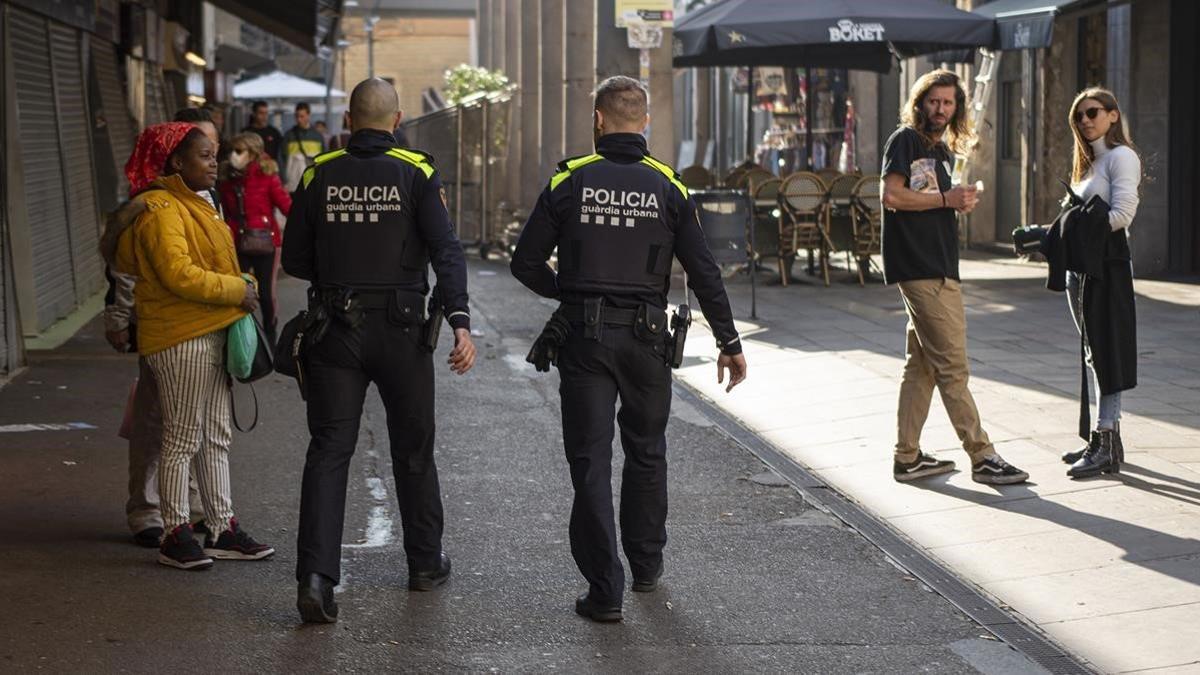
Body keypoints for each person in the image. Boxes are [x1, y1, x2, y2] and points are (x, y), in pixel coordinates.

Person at [510, 75, 748, 622]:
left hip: (585, 339)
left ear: (597, 119)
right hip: (647, 341)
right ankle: (646, 566)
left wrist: (568, 292)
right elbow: (704, 271)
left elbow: (525, 262)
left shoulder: (570, 181)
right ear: (645, 123)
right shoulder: (668, 186)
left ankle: (605, 590)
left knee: (591, 461)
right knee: (647, 450)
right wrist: (729, 342)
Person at [282, 78, 476, 623]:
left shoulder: (319, 171)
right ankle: (422, 563)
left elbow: (294, 257)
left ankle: (316, 579)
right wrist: (459, 321)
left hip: (334, 329)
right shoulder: (415, 171)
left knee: (329, 450)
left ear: (348, 120)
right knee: (413, 450)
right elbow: (446, 251)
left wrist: (339, 271)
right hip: (402, 328)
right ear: (397, 121)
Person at [112, 122, 274, 569]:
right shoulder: (162, 208)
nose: (214, 163)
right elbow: (178, 273)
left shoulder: (199, 204)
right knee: (181, 439)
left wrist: (244, 282)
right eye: (204, 155)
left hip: (211, 330)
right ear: (176, 162)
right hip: (180, 337)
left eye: (214, 154)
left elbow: (219, 262)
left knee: (216, 437)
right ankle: (175, 532)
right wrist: (235, 289)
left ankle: (222, 527)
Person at [880, 69, 1028, 486]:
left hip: (941, 266)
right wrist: (946, 198)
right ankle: (982, 455)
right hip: (920, 268)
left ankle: (907, 457)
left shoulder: (941, 152)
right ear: (920, 102)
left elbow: (926, 202)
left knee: (922, 366)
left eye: (948, 103)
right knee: (953, 366)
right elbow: (891, 195)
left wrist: (956, 203)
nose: (941, 109)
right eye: (934, 101)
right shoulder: (905, 140)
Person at [1052, 88, 1141, 478]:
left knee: (1106, 354)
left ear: (1113, 116)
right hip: (1082, 268)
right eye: (1079, 117)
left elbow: (1122, 214)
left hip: (1107, 266)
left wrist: (1076, 229)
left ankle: (1105, 442)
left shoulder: (1121, 157)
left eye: (1092, 113)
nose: (1086, 121)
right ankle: (1105, 440)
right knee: (1093, 352)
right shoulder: (1089, 163)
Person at [219, 132, 292, 343]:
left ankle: (270, 334)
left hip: (266, 243)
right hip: (237, 242)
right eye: (233, 151)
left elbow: (286, 206)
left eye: (240, 151)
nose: (234, 155)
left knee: (267, 294)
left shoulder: (267, 175)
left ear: (253, 153)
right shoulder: (226, 179)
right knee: (239, 293)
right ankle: (244, 336)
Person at [281, 101, 326, 192]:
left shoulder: (318, 136)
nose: (299, 119)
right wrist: (284, 180)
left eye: (302, 116)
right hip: (292, 184)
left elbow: (324, 159)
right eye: (297, 116)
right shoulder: (288, 136)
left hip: (312, 183)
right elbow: (281, 158)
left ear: (308, 115)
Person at [243, 100, 283, 165]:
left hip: (269, 170)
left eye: (266, 113)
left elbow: (280, 155)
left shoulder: (274, 133)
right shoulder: (246, 133)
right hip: (250, 169)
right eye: (261, 113)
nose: (264, 116)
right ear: (254, 114)